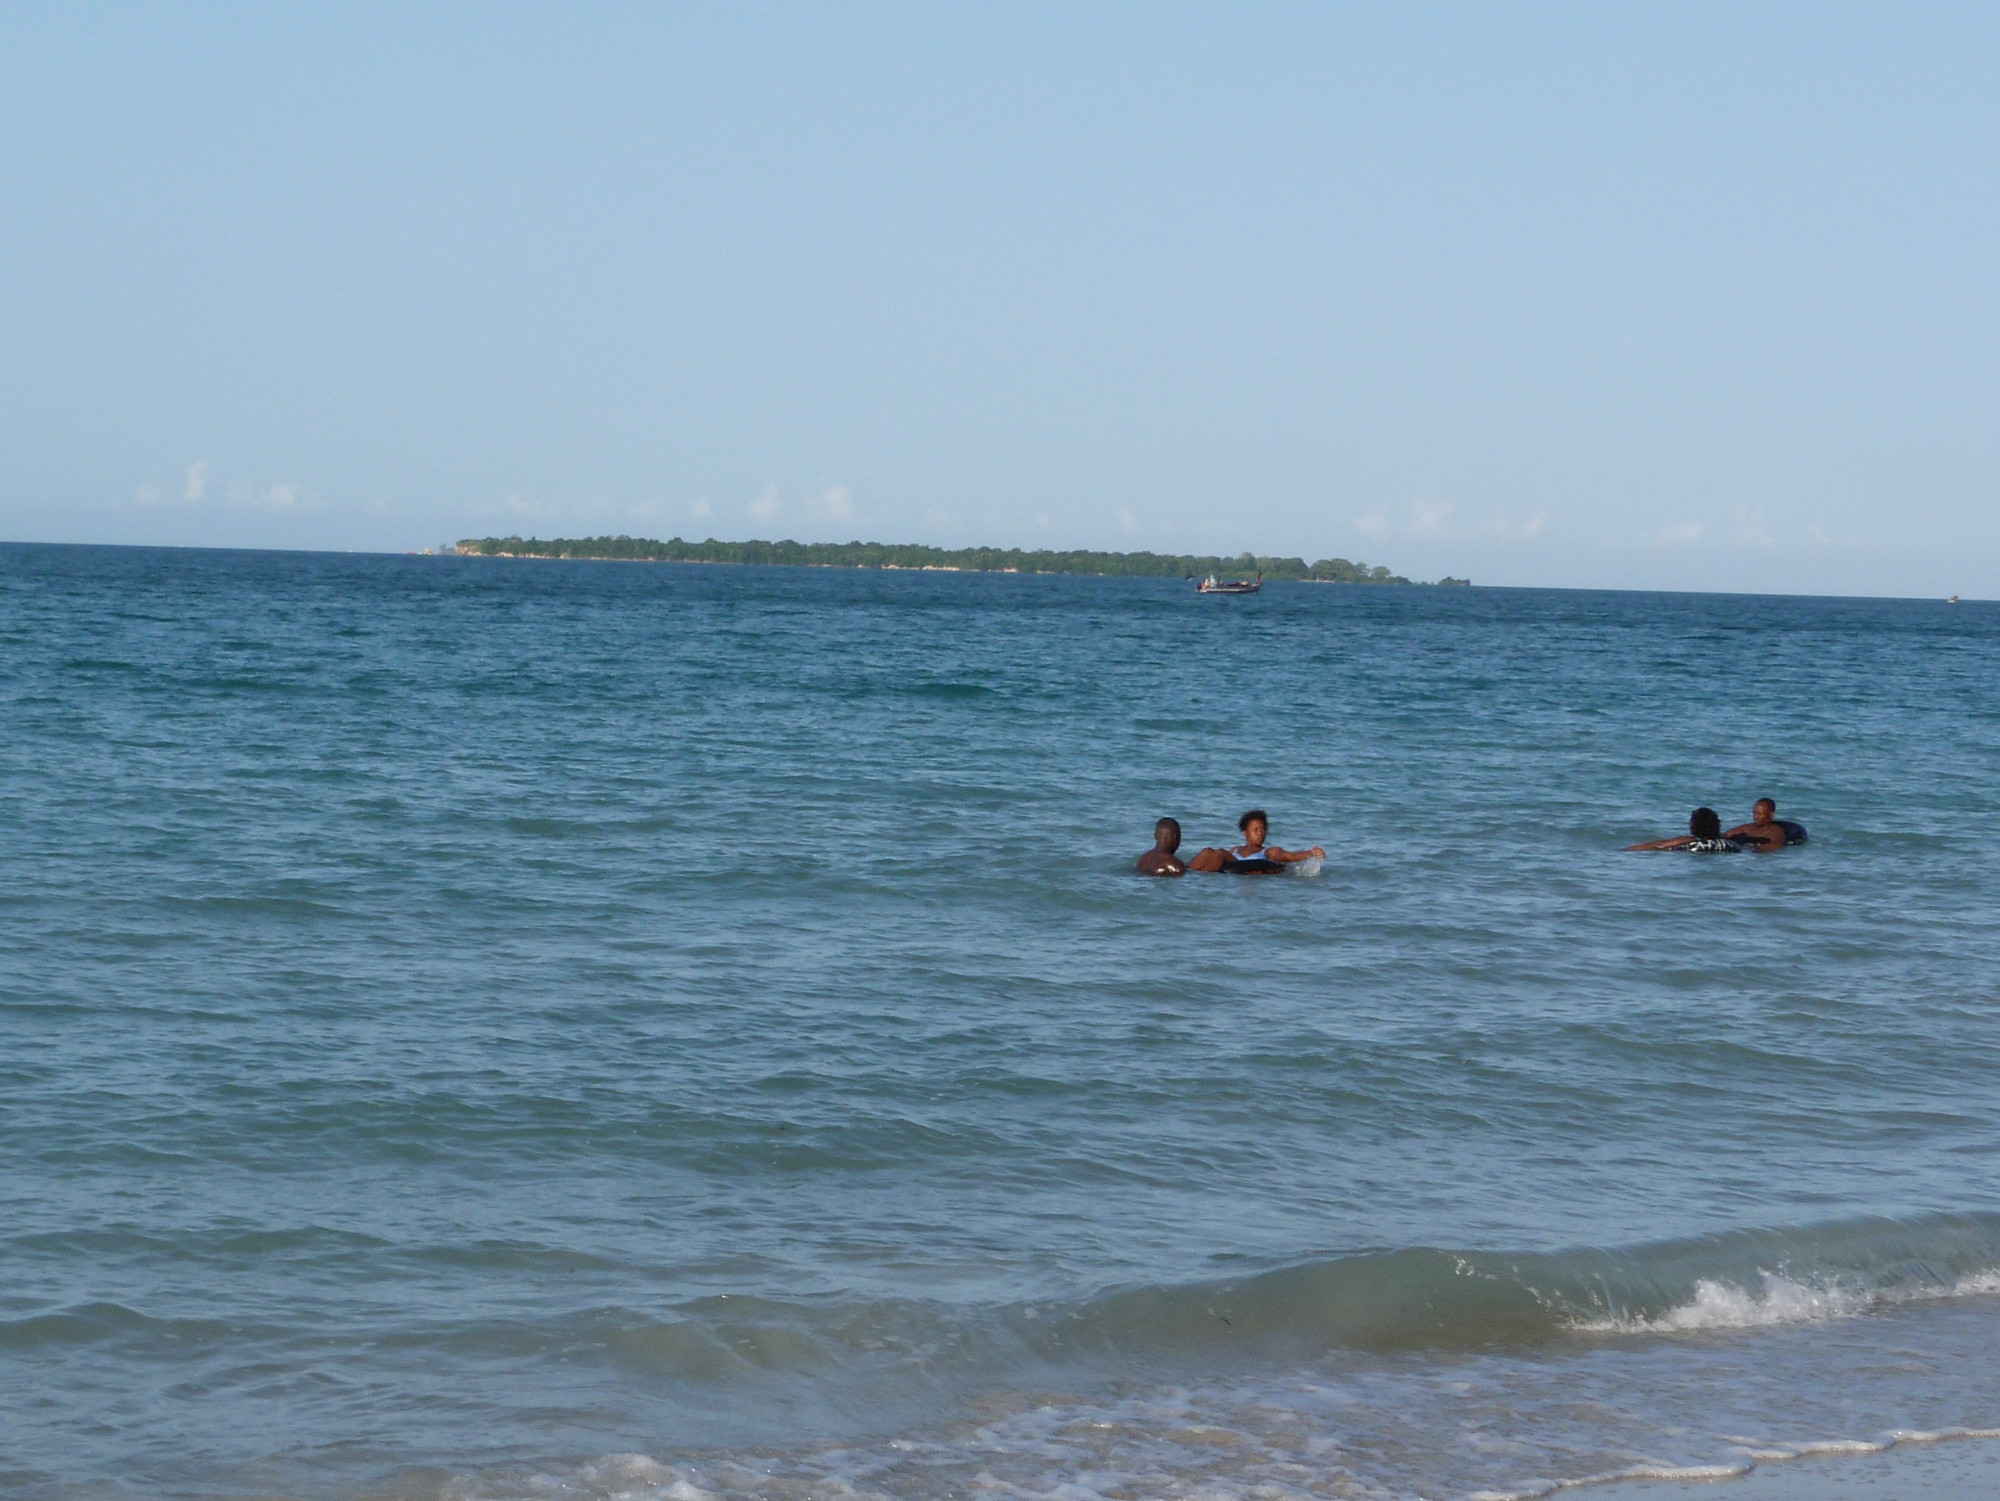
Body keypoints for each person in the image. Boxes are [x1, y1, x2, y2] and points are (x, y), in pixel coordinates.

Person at [1187, 809, 1326, 873]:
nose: (1260, 832)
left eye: (1263, 829)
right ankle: (1186, 872)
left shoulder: (1268, 851)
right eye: (1256, 830)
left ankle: (1203, 877)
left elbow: (1290, 856)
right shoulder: (1236, 849)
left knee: (1219, 853)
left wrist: (1311, 852)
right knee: (1207, 851)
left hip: (1244, 870)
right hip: (1227, 870)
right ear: (1245, 833)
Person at [1627, 807, 1740, 852]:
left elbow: (1660, 845)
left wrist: (1628, 850)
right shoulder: (1730, 844)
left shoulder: (1689, 840)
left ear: (1694, 825)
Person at [1724, 798, 1798, 850]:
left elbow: (1775, 846)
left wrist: (1748, 849)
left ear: (1771, 815)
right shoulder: (1751, 827)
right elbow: (1734, 831)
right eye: (1754, 813)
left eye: (1760, 814)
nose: (1756, 817)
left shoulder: (1776, 832)